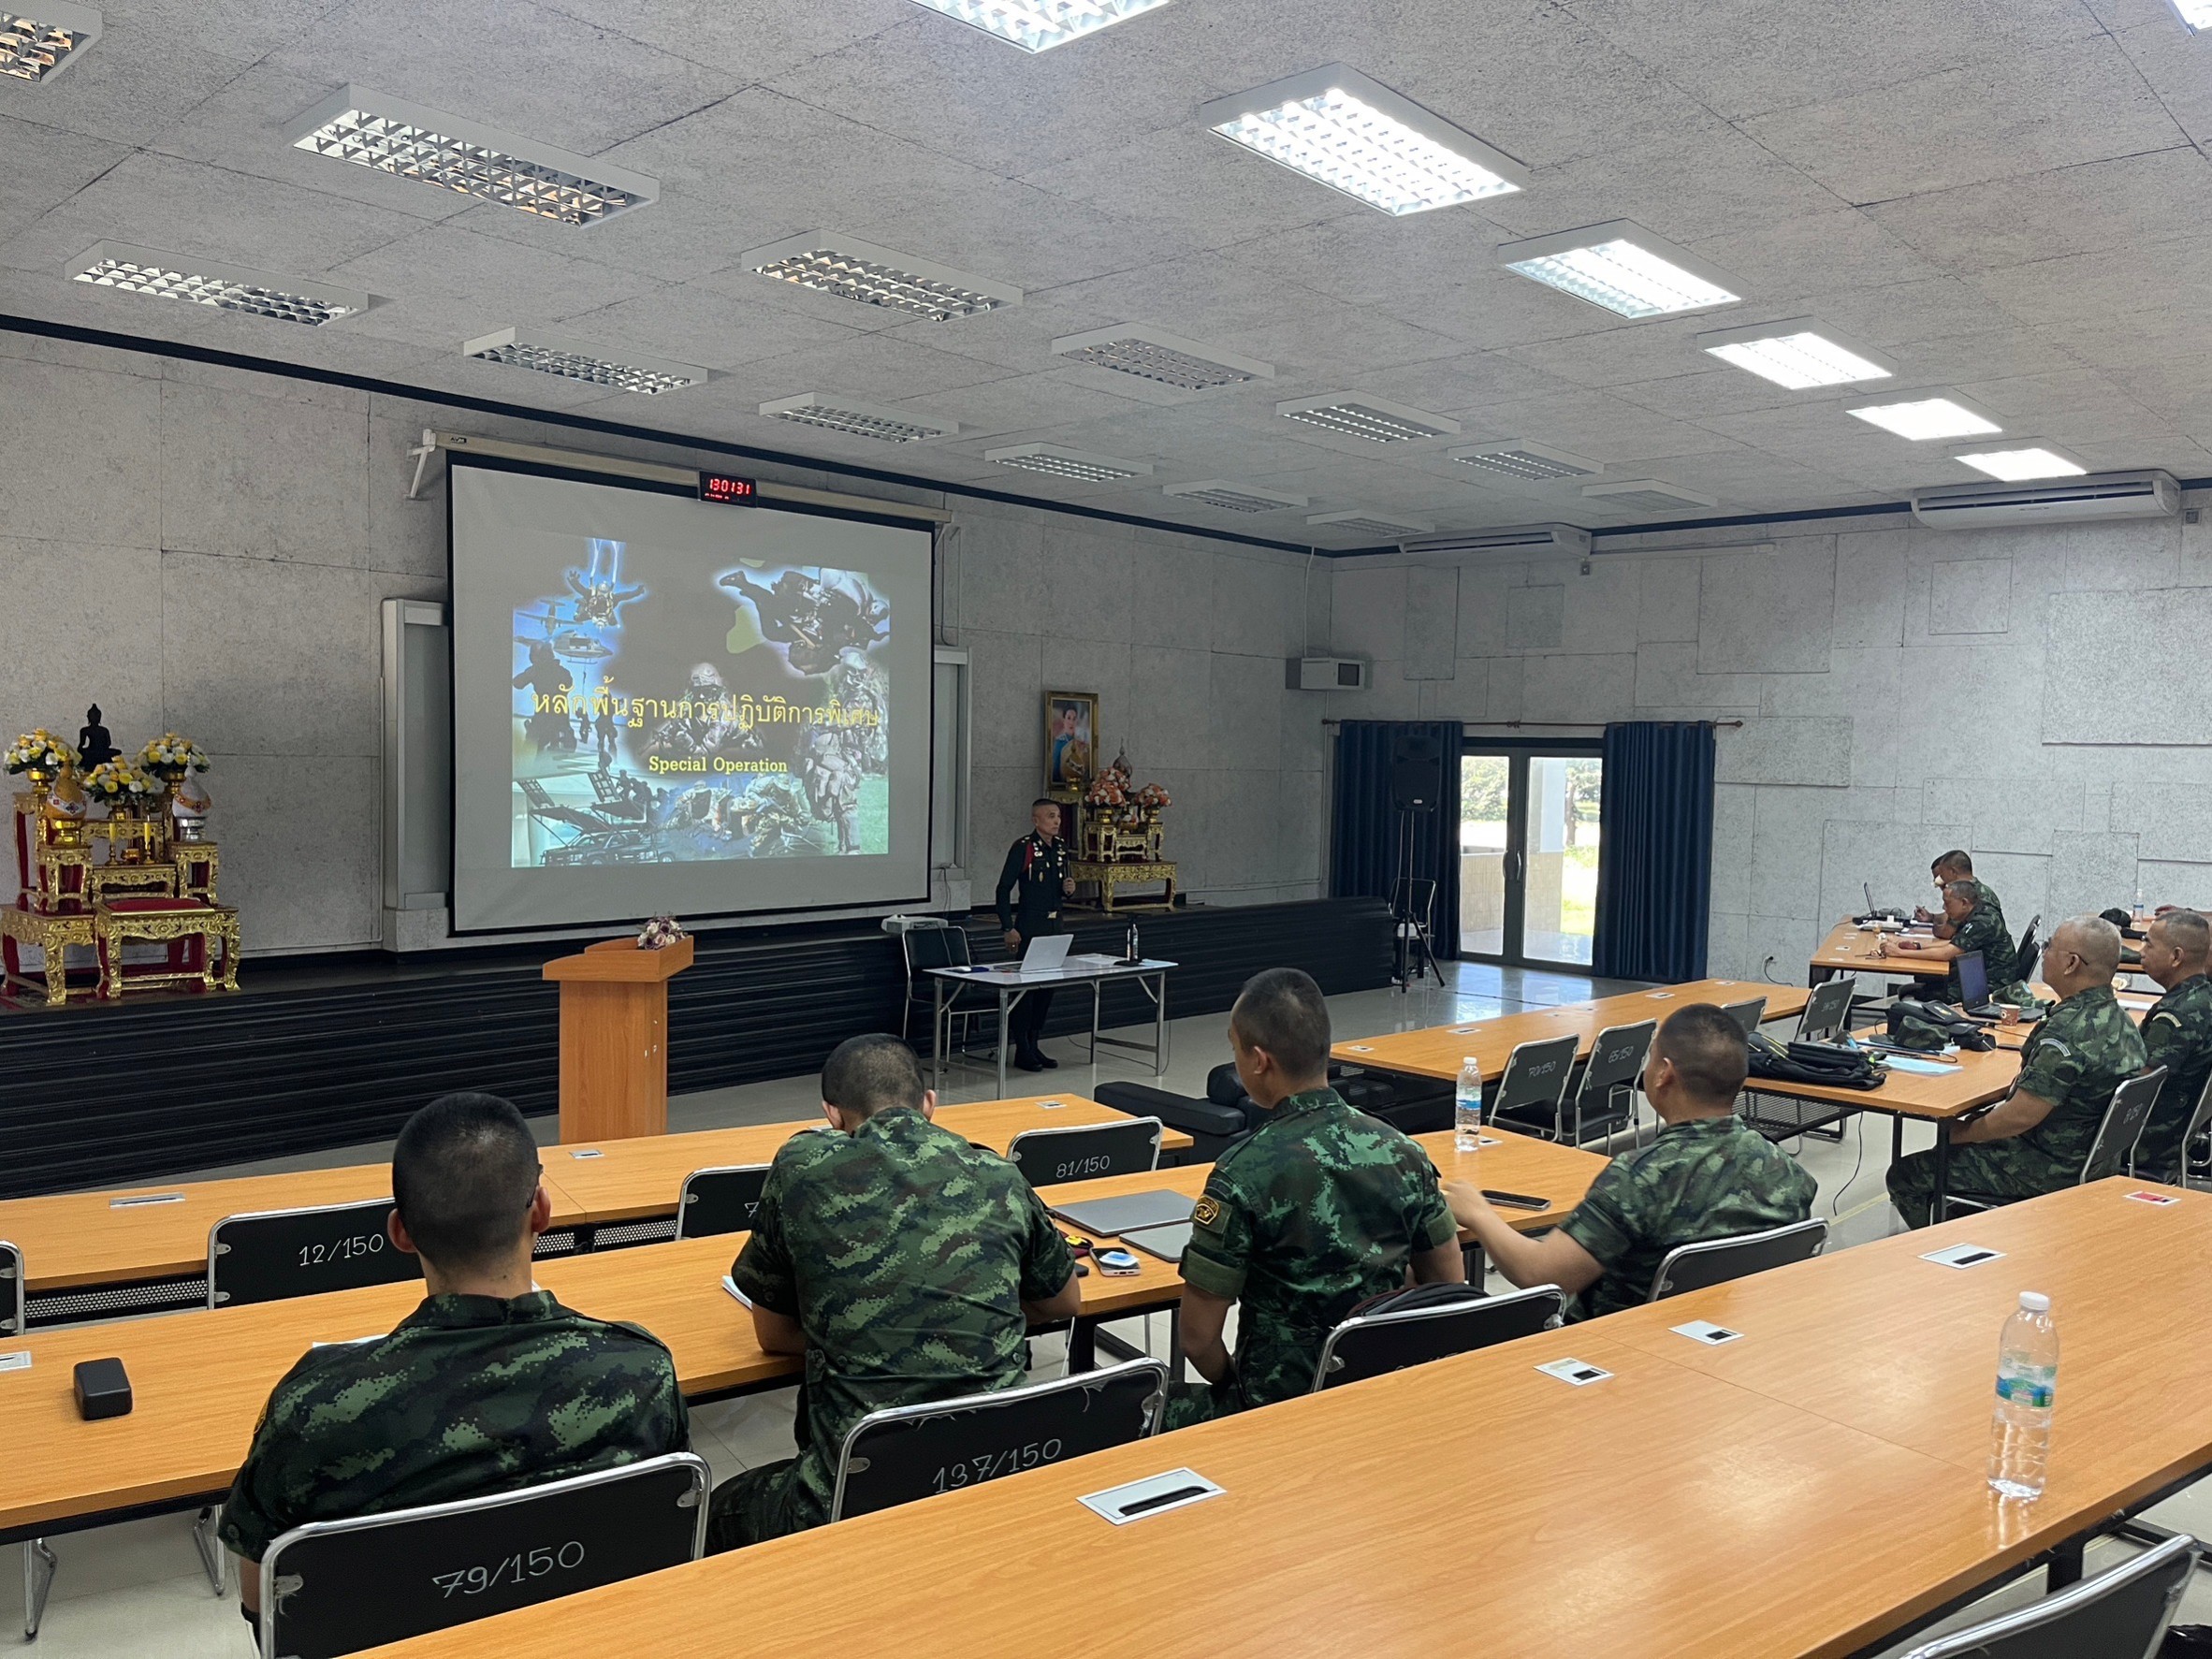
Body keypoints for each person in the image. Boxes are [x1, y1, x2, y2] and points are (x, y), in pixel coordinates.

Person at [219, 1094, 687, 1622]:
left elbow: (262, 1600)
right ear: (541, 1210)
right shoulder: (643, 1371)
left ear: (400, 1233)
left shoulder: (313, 1410)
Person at [706, 1035, 1080, 1550]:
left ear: (831, 1114)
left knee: (716, 1510)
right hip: (1001, 1470)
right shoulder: (998, 1173)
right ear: (930, 1103)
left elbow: (773, 1335)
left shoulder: (803, 1169)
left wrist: (871, 1330)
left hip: (856, 1495)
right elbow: (1065, 1303)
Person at [1168, 968, 1463, 1429]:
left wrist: (1236, 1388)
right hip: (1382, 1397)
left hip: (1279, 1409)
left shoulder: (1242, 1172)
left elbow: (1197, 1339)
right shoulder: (1404, 1152)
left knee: (1135, 1411)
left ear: (1259, 1061)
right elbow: (1447, 1285)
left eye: (1235, 1049)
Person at [1447, 1004, 1816, 1320]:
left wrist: (1479, 1213)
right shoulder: (1786, 1171)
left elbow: (1541, 1275)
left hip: (1617, 1350)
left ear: (1664, 1073)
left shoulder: (1642, 1178)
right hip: (1727, 1342)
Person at [1886, 916, 2148, 1228]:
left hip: (2047, 1169)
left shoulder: (2066, 1033)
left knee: (1906, 1175)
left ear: (2071, 964)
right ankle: (1967, 1226)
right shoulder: (2123, 1021)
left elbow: (2020, 1117)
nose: (2045, 953)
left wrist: (1962, 1132)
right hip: (2096, 1163)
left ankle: (1938, 1248)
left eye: (2050, 946)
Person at [996, 799, 1075, 1071]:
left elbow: (1060, 887)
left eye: (1058, 816)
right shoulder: (1024, 847)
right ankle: (1021, 1048)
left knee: (1047, 987)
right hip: (1030, 925)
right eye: (1050, 816)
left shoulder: (1061, 847)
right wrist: (1008, 927)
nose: (1056, 821)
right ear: (1036, 820)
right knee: (1027, 989)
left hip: (1055, 926)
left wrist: (1069, 889)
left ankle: (1034, 1042)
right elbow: (1003, 889)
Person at [2132, 910, 2212, 1183]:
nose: (2141, 951)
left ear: (2176, 957)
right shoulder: (2203, 997)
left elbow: (2136, 1085)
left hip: (2147, 1142)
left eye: (2148, 944)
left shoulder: (2175, 1016)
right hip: (2176, 1133)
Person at [1884, 877, 2017, 1002]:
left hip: (1991, 986)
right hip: (1976, 977)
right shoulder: (1976, 912)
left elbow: (1947, 953)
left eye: (1947, 903)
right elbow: (1955, 943)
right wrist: (1917, 947)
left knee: (1923, 993)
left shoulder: (1983, 921)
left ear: (1964, 903)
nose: (1944, 908)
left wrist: (1899, 953)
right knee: (1923, 983)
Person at [1915, 850, 2005, 943]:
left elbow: (1946, 933)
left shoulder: (1966, 894)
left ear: (1953, 872)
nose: (1941, 879)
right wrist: (1932, 917)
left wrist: (1935, 928)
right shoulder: (1983, 890)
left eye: (1942, 875)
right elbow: (1949, 917)